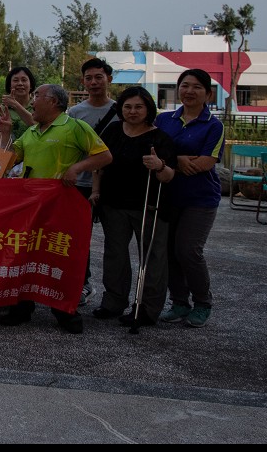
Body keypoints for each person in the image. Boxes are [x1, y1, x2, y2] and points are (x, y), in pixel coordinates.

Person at [0, 84, 112, 333]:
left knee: (60, 257)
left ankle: (64, 310)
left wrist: (77, 168)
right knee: (25, 256)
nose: (31, 102)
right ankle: (21, 308)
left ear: (53, 102)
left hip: (60, 207)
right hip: (29, 207)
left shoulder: (75, 127)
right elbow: (0, 166)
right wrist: (5, 134)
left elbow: (104, 156)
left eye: (36, 96)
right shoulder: (30, 132)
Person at [91, 86, 178, 327]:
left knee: (152, 258)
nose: (132, 111)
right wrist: (96, 190)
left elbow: (169, 175)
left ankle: (147, 307)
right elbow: (99, 164)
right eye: (127, 106)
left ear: (148, 109)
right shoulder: (113, 131)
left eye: (139, 106)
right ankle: (113, 301)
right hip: (113, 204)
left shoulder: (160, 138)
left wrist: (159, 165)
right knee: (115, 254)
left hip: (149, 205)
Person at [154, 69, 225, 329]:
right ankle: (179, 302)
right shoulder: (164, 120)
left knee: (189, 250)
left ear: (207, 93)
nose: (189, 91)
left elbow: (205, 163)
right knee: (169, 251)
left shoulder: (213, 125)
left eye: (196, 87)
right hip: (169, 195)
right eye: (185, 86)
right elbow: (154, 151)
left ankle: (203, 303)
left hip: (201, 198)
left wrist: (172, 160)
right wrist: (181, 158)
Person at [67, 57, 118, 307]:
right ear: (83, 82)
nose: (94, 82)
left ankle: (115, 295)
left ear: (109, 78)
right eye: (89, 78)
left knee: (115, 241)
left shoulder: (123, 110)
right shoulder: (76, 113)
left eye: (99, 77)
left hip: (113, 185)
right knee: (78, 238)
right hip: (80, 183)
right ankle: (82, 284)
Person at [1, 66, 36, 142]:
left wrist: (15, 105)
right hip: (10, 152)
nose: (20, 83)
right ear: (10, 86)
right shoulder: (3, 108)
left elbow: (38, 126)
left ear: (31, 85)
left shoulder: (38, 106)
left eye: (24, 80)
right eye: (16, 80)